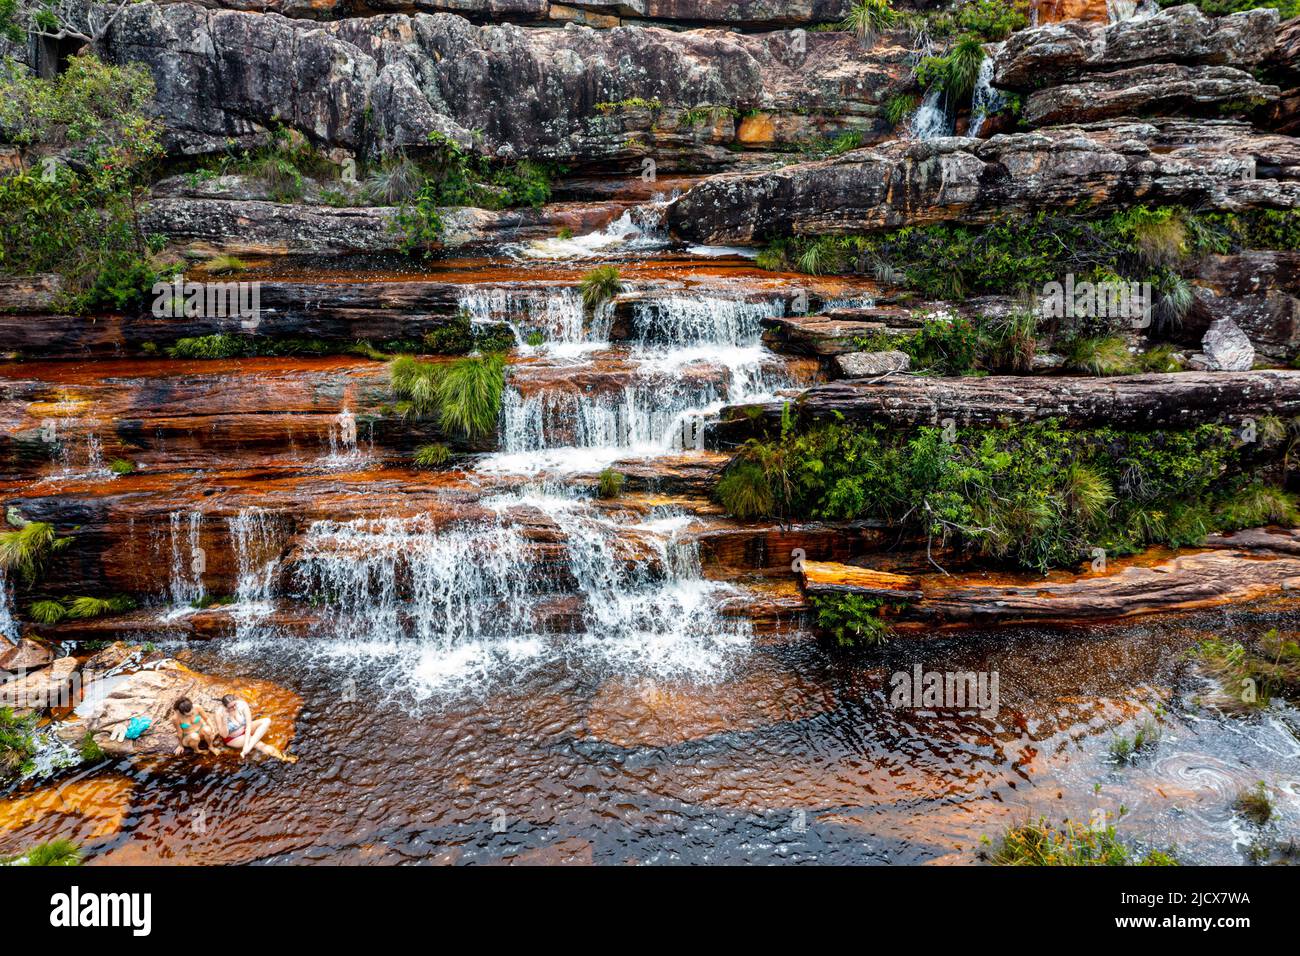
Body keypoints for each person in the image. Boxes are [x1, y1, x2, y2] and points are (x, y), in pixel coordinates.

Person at [219, 693, 276, 761]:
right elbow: (224, 735)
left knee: (267, 720)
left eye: (235, 705)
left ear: (237, 700)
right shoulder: (220, 713)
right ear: (225, 707)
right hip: (233, 738)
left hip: (245, 729)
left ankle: (247, 749)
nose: (234, 708)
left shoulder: (242, 705)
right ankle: (285, 758)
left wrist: (246, 745)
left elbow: (248, 725)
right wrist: (225, 721)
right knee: (261, 745)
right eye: (230, 707)